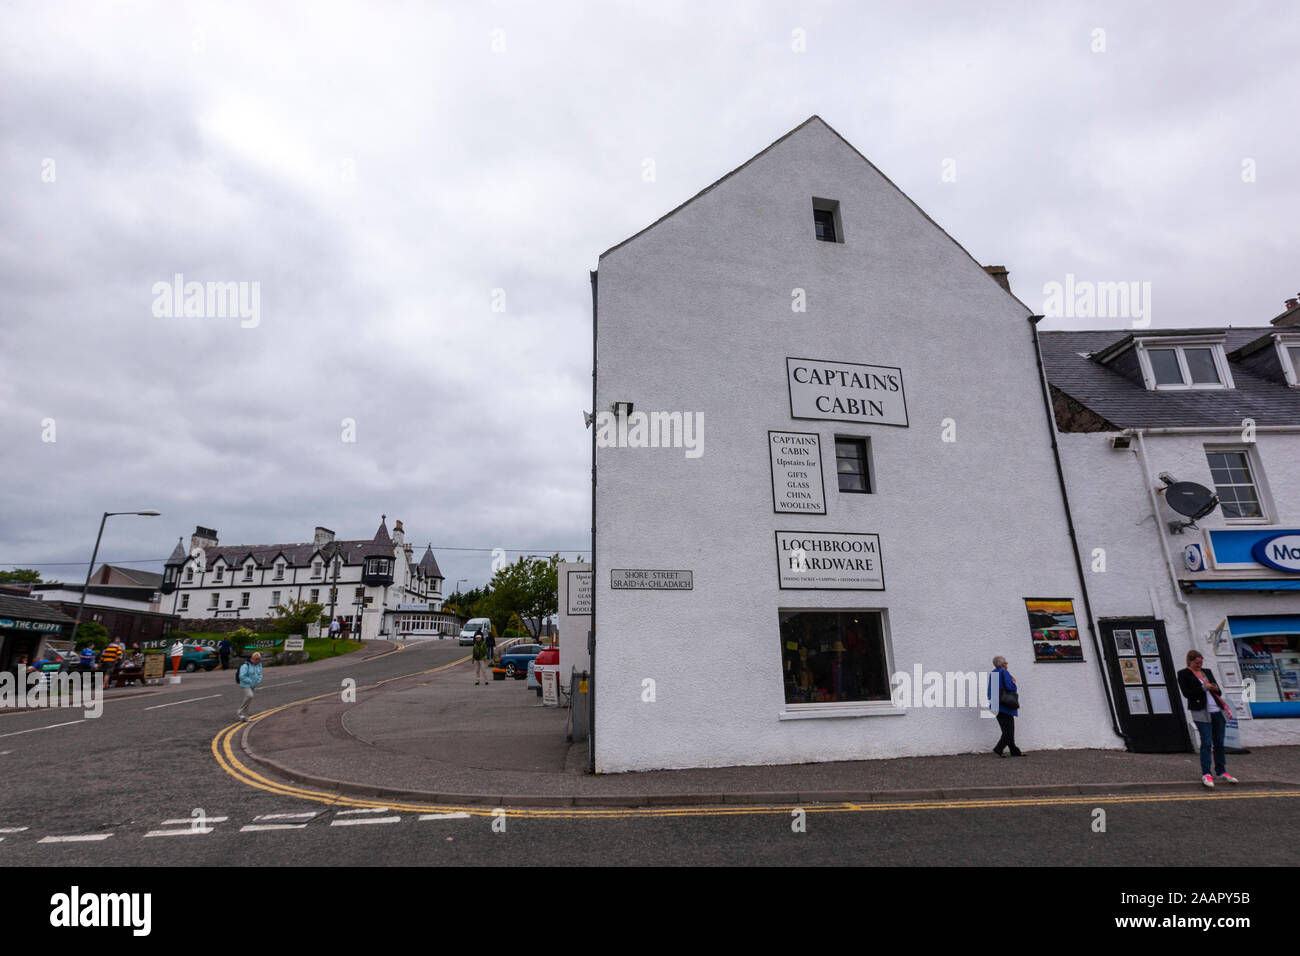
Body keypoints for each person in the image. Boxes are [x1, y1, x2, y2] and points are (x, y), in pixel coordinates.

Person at [1177, 650, 1238, 788]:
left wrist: (1214, 688)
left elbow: (1219, 692)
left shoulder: (1207, 672)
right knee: (1206, 742)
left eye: (1201, 662)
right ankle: (1206, 773)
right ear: (1190, 661)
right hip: (1201, 712)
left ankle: (1221, 771)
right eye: (1197, 663)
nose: (1199, 665)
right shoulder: (1183, 674)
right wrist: (1204, 687)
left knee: (1219, 742)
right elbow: (1187, 693)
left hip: (1217, 710)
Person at [990, 655, 1023, 757]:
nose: (1007, 664)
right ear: (1003, 664)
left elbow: (990, 691)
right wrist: (1014, 682)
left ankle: (1014, 751)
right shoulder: (1004, 672)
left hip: (996, 705)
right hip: (1005, 705)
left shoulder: (993, 673)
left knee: (1007, 729)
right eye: (1006, 663)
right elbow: (1010, 687)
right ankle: (998, 749)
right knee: (1008, 731)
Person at [236, 651, 264, 722]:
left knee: (248, 701)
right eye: (256, 660)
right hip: (245, 684)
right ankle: (239, 711)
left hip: (253, 685)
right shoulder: (245, 666)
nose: (257, 661)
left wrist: (258, 680)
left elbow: (260, 674)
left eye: (259, 660)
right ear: (252, 659)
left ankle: (245, 717)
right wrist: (250, 681)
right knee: (250, 696)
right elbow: (241, 676)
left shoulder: (259, 665)